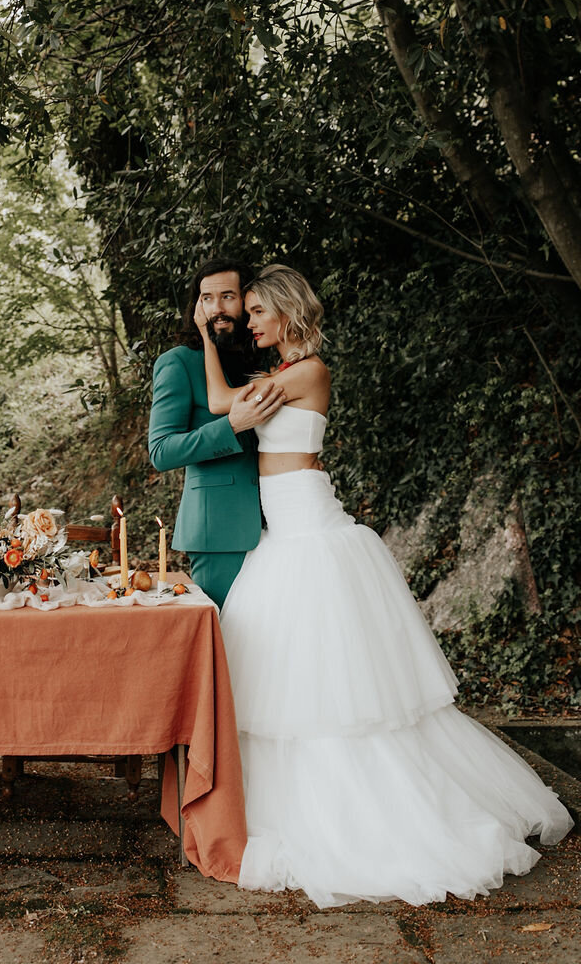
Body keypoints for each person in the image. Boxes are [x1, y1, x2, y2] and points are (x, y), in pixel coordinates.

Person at [194, 262, 573, 907]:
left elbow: (224, 406)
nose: (249, 321)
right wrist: (215, 337)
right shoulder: (281, 375)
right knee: (291, 678)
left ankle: (389, 819)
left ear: (287, 312)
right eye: (246, 311)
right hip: (283, 532)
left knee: (333, 688)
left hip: (309, 530)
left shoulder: (307, 371)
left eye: (258, 311)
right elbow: (230, 405)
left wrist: (206, 337)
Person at [147, 257, 286, 608]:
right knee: (228, 641)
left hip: (284, 519)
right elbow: (161, 450)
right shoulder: (178, 362)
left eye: (227, 296)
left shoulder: (266, 359)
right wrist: (230, 427)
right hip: (219, 531)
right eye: (206, 298)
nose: (216, 309)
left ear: (249, 299)